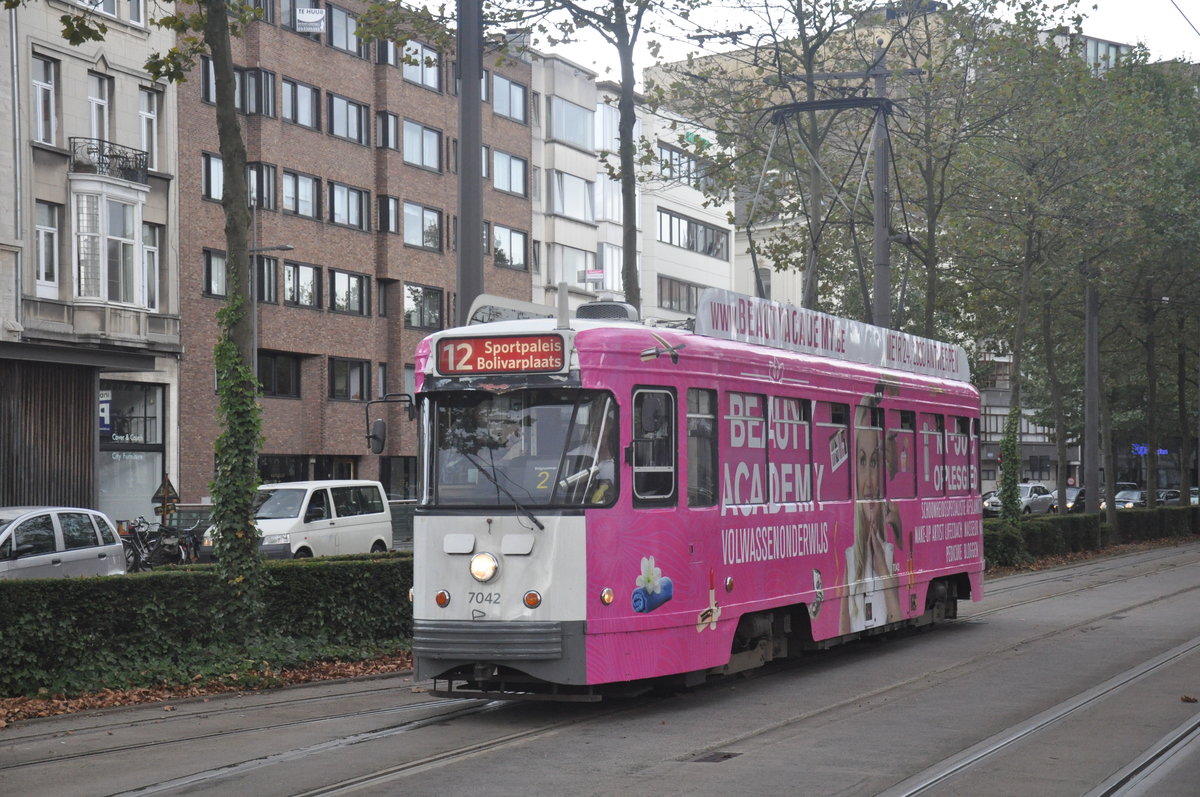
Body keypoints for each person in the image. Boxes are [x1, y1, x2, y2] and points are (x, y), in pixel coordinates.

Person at [842, 400, 903, 634]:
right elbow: (843, 627)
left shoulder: (889, 553)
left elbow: (896, 617)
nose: (869, 481)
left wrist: (884, 572)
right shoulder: (850, 558)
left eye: (875, 462)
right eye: (862, 461)